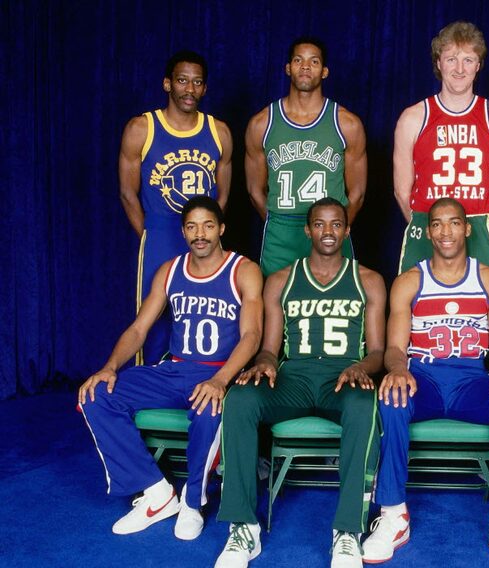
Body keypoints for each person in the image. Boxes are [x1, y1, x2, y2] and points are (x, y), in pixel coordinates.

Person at [363, 198, 489, 567]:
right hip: (422, 377)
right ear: (428, 232)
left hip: (471, 380)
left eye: (454, 223)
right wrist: (396, 369)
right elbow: (395, 346)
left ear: (467, 228)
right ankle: (394, 515)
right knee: (391, 398)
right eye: (438, 224)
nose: (446, 232)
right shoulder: (410, 281)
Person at [214, 198, 386, 568]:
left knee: (364, 405)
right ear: (307, 230)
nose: (328, 231)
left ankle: (347, 530)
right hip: (293, 378)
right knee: (240, 399)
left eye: (336, 224)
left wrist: (362, 367)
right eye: (320, 225)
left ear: (347, 230)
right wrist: (263, 364)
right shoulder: (281, 280)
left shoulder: (368, 279)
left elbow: (378, 351)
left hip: (343, 377)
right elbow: (270, 349)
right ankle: (243, 528)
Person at [79, 196, 262, 541]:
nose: (200, 234)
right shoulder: (171, 270)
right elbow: (138, 329)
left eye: (208, 225)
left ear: (221, 228)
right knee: (97, 394)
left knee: (209, 409)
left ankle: (193, 503)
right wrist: (109, 367)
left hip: (220, 371)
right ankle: (156, 493)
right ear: (183, 232)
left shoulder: (244, 270)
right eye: (192, 226)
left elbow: (252, 336)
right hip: (174, 370)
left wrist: (221, 381)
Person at [120, 50, 233, 365]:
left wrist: (207, 231)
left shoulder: (219, 131)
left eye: (197, 82)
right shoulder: (142, 128)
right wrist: (150, 233)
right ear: (167, 84)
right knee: (154, 316)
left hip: (204, 238)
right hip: (160, 232)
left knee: (206, 308)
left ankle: (201, 382)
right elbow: (128, 193)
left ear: (205, 89)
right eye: (183, 80)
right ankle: (150, 384)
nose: (190, 89)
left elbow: (223, 195)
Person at [394, 21, 489, 274]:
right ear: (439, 63)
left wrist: (479, 225)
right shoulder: (414, 117)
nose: (460, 69)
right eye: (451, 59)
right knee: (415, 308)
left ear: (478, 65)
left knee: (484, 310)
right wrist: (432, 227)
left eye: (468, 60)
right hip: (426, 228)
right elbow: (402, 193)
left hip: (478, 227)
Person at [246, 37, 368, 276]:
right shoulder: (262, 123)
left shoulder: (347, 123)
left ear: (324, 72)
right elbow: (254, 191)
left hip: (330, 232)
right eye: (298, 60)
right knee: (276, 306)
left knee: (336, 306)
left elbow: (357, 193)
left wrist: (336, 228)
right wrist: (278, 222)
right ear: (288, 68)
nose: (305, 67)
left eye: (313, 61)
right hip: (281, 233)